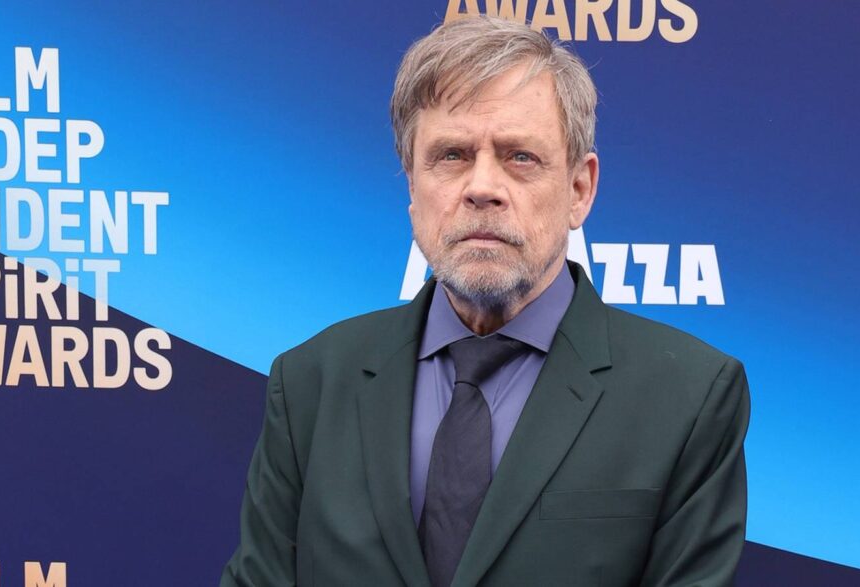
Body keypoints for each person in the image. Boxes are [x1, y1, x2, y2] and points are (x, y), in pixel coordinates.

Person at [220, 14, 750, 587]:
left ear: (580, 189)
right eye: (451, 155)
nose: (482, 187)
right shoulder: (310, 382)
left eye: (520, 156)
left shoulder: (690, 396)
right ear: (412, 186)